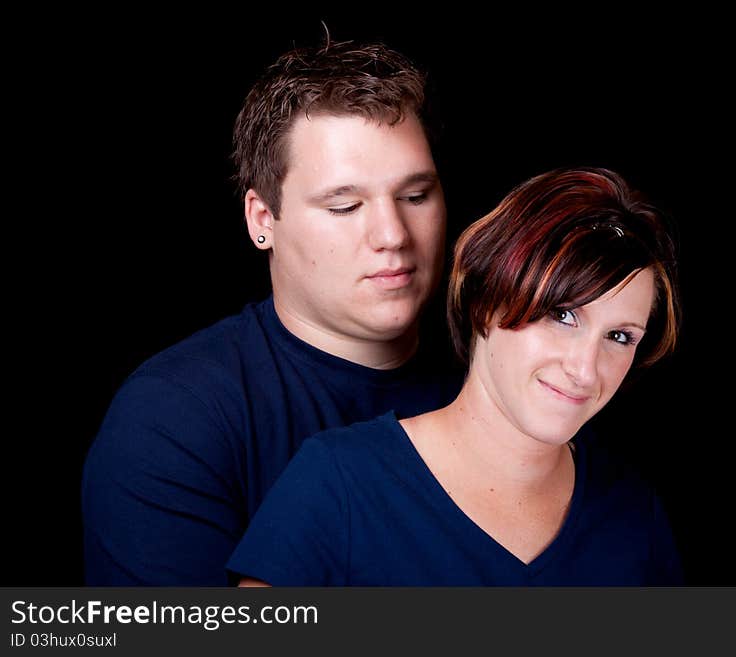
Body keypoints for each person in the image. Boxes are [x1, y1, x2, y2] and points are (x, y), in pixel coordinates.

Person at [81, 38, 459, 585]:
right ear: (262, 219)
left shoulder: (511, 375)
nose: (392, 235)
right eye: (344, 206)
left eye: (416, 196)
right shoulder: (171, 420)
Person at [227, 167, 683, 586]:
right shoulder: (337, 484)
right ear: (485, 298)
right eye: (562, 315)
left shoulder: (632, 512)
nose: (585, 369)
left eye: (620, 336)